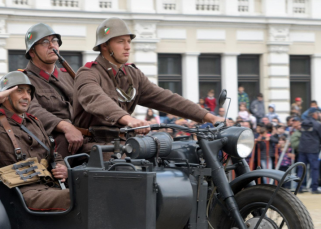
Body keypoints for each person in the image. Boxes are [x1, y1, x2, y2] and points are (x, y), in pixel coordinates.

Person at [73, 17, 221, 153]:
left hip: (123, 144)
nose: (127, 47)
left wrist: (209, 117)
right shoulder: (88, 73)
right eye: (120, 42)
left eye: (129, 41)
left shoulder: (132, 75)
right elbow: (97, 99)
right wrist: (129, 120)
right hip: (93, 147)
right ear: (105, 45)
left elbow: (166, 99)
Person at [0, 71, 70, 211]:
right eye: (19, 91)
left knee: (91, 189)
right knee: (77, 197)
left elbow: (53, 154)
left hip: (49, 185)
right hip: (18, 192)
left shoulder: (34, 122)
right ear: (6, 95)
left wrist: (61, 167)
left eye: (28, 92)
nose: (26, 96)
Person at [21, 23, 82, 157]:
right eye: (44, 42)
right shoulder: (23, 81)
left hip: (80, 133)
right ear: (32, 52)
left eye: (54, 40)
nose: (52, 45)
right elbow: (32, 110)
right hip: (51, 140)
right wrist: (65, 126)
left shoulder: (69, 76)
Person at [297, 109, 321, 194]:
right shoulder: (317, 124)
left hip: (302, 148)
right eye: (317, 114)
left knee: (301, 168)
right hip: (313, 149)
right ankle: (314, 188)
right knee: (314, 168)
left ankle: (299, 188)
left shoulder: (303, 123)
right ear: (314, 114)